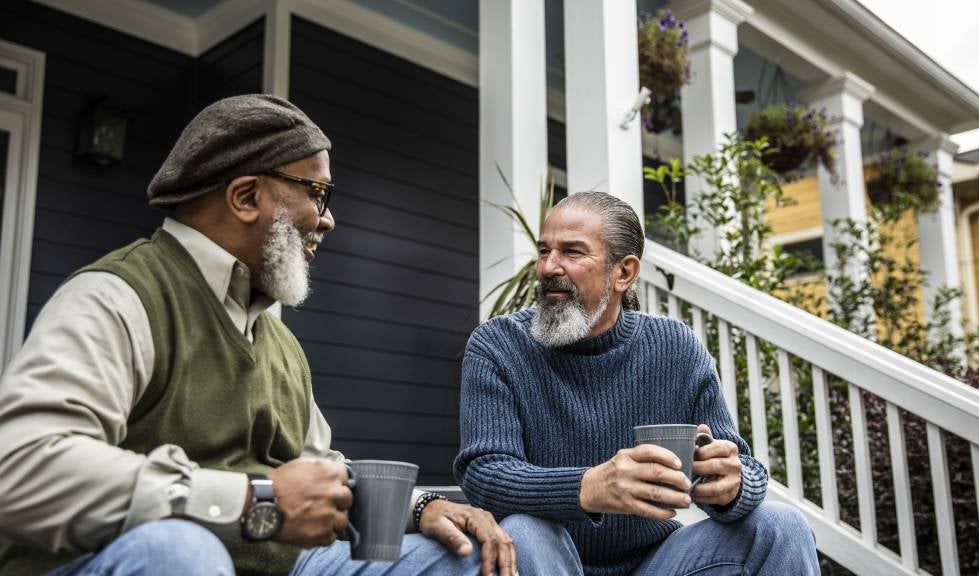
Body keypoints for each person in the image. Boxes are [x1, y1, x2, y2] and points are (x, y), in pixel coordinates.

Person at [0, 94, 574, 576]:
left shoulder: (278, 342)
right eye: (316, 193)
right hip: (120, 560)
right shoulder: (119, 296)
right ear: (246, 196)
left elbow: (324, 476)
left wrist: (425, 506)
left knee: (471, 557)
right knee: (180, 551)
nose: (327, 219)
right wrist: (253, 502)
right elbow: (20, 468)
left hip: (284, 564)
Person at [455, 191, 821, 575]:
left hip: (657, 564)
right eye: (544, 251)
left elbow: (740, 462)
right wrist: (589, 486)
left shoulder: (675, 347)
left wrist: (732, 486)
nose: (549, 267)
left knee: (782, 525)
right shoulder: (498, 344)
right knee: (525, 529)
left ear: (624, 273)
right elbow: (484, 473)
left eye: (572, 252)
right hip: (544, 558)